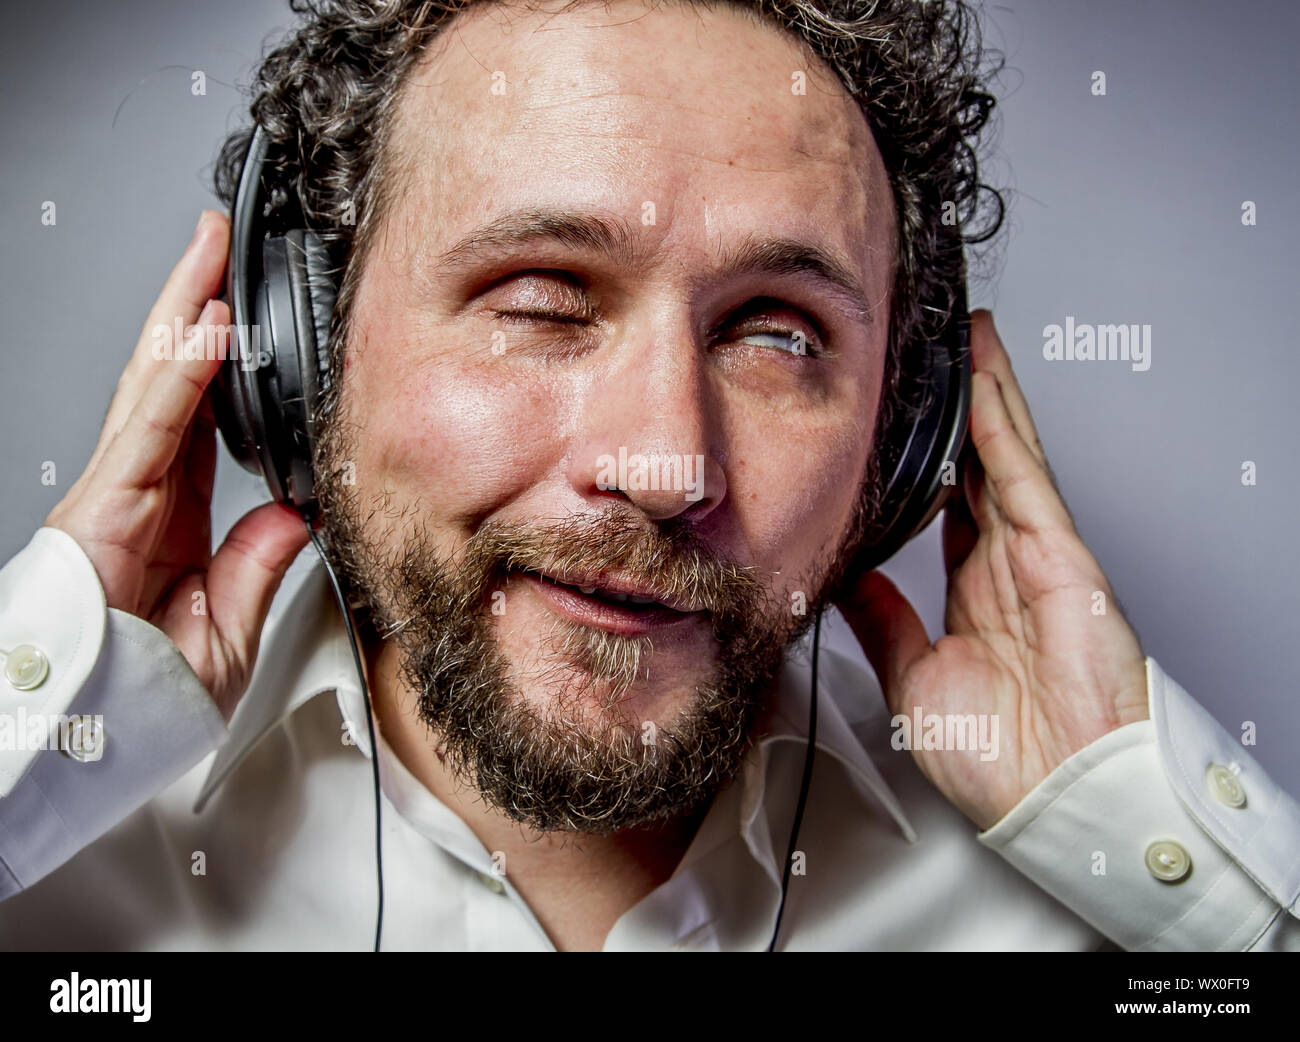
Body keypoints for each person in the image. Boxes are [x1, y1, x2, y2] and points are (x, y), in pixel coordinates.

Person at [0, 0, 1295, 951]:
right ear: (300, 349)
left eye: (777, 333)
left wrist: (1154, 844)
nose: (664, 461)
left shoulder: (1101, 904)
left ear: (903, 440)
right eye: (544, 299)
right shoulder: (53, 838)